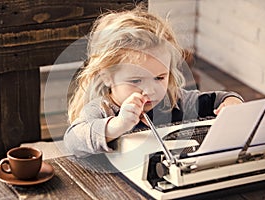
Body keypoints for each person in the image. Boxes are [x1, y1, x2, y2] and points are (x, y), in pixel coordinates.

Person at [64, 7, 243, 157]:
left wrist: (231, 103)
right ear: (107, 77)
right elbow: (72, 141)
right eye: (135, 80)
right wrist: (118, 125)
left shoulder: (174, 99)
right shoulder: (101, 109)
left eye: (159, 77)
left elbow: (220, 99)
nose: (150, 90)